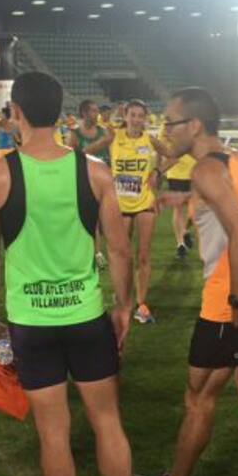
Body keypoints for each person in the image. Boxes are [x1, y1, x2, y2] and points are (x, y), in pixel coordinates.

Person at [0, 71, 155, 476]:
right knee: (107, 422)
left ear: (15, 113)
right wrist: (122, 307)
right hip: (87, 317)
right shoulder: (94, 171)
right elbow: (119, 250)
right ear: (61, 113)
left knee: (53, 433)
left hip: (31, 324)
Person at [134, 87, 238, 476]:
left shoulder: (203, 171)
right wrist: (184, 200)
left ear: (193, 126)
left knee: (198, 398)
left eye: (170, 122)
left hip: (227, 300)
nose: (165, 130)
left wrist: (236, 304)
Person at [110, 100, 160, 323]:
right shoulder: (114, 137)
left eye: (141, 115)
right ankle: (123, 297)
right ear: (126, 115)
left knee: (143, 254)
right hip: (120, 205)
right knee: (123, 255)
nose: (137, 119)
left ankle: (141, 304)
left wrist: (157, 171)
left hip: (145, 203)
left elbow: (174, 153)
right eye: (133, 114)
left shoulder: (149, 139)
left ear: (145, 118)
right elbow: (84, 150)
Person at [162, 146, 196, 258]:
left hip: (194, 172)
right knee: (178, 208)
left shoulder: (195, 128)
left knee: (195, 210)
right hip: (176, 173)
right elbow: (162, 148)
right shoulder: (166, 129)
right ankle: (180, 244)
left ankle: (184, 231)